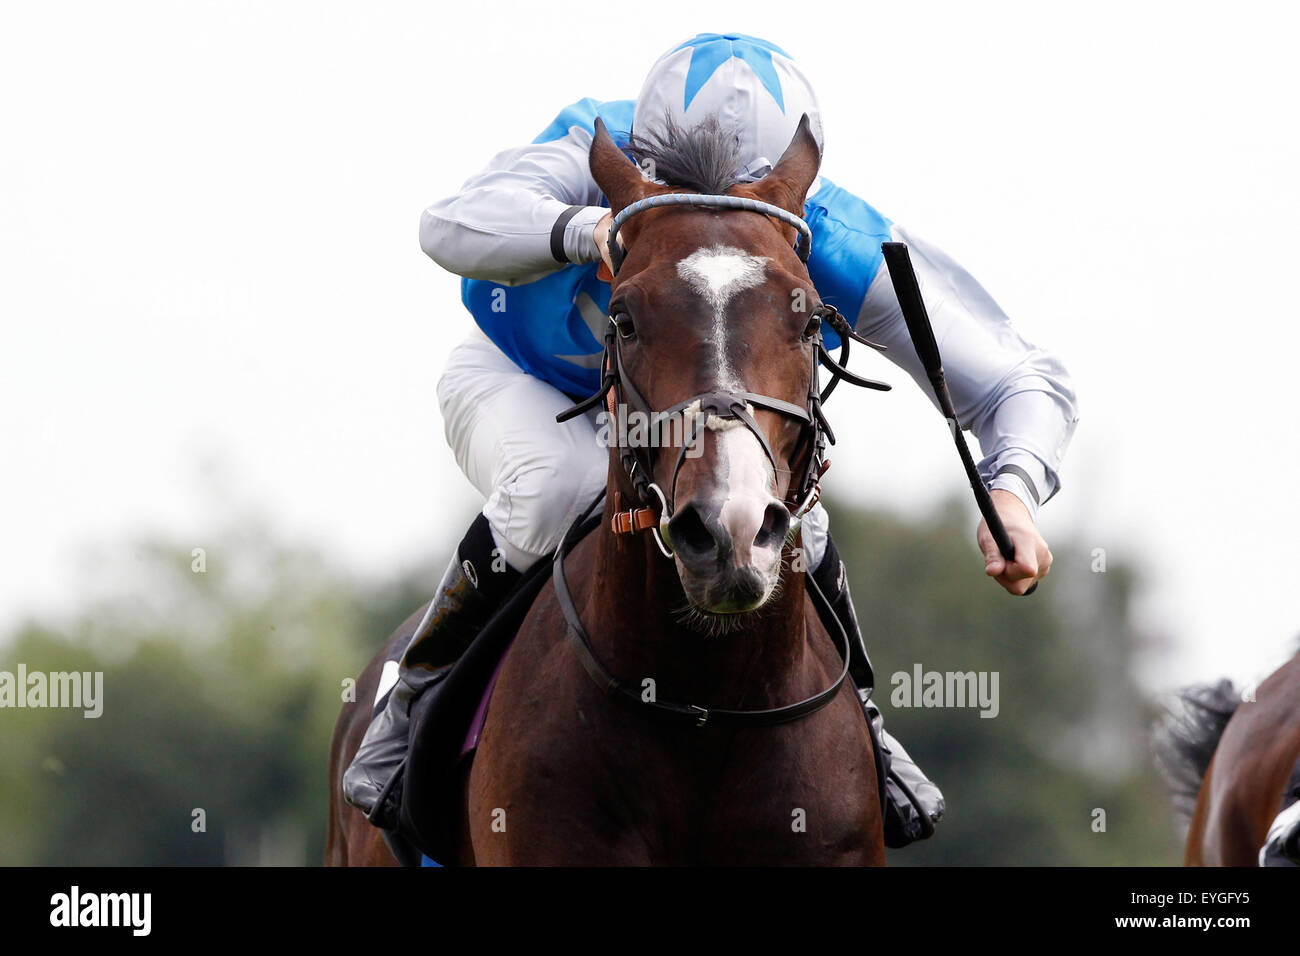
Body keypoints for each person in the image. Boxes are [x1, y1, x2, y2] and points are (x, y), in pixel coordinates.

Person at [343, 32, 1078, 848]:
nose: (714, 222)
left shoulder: (829, 233)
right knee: (560, 482)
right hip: (527, 380)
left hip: (716, 424)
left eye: (742, 203)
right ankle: (411, 701)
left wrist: (1012, 489)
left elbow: (1020, 378)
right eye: (682, 193)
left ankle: (860, 716)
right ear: (646, 157)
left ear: (789, 191)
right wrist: (588, 230)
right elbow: (446, 226)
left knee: (791, 517)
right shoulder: (591, 144)